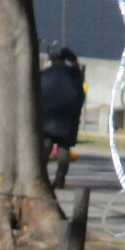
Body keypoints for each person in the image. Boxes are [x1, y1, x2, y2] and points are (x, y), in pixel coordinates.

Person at [39, 45, 86, 189]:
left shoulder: (46, 73)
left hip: (47, 115)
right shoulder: (75, 75)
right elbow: (80, 96)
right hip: (68, 118)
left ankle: (41, 177)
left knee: (45, 146)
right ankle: (60, 178)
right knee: (64, 148)